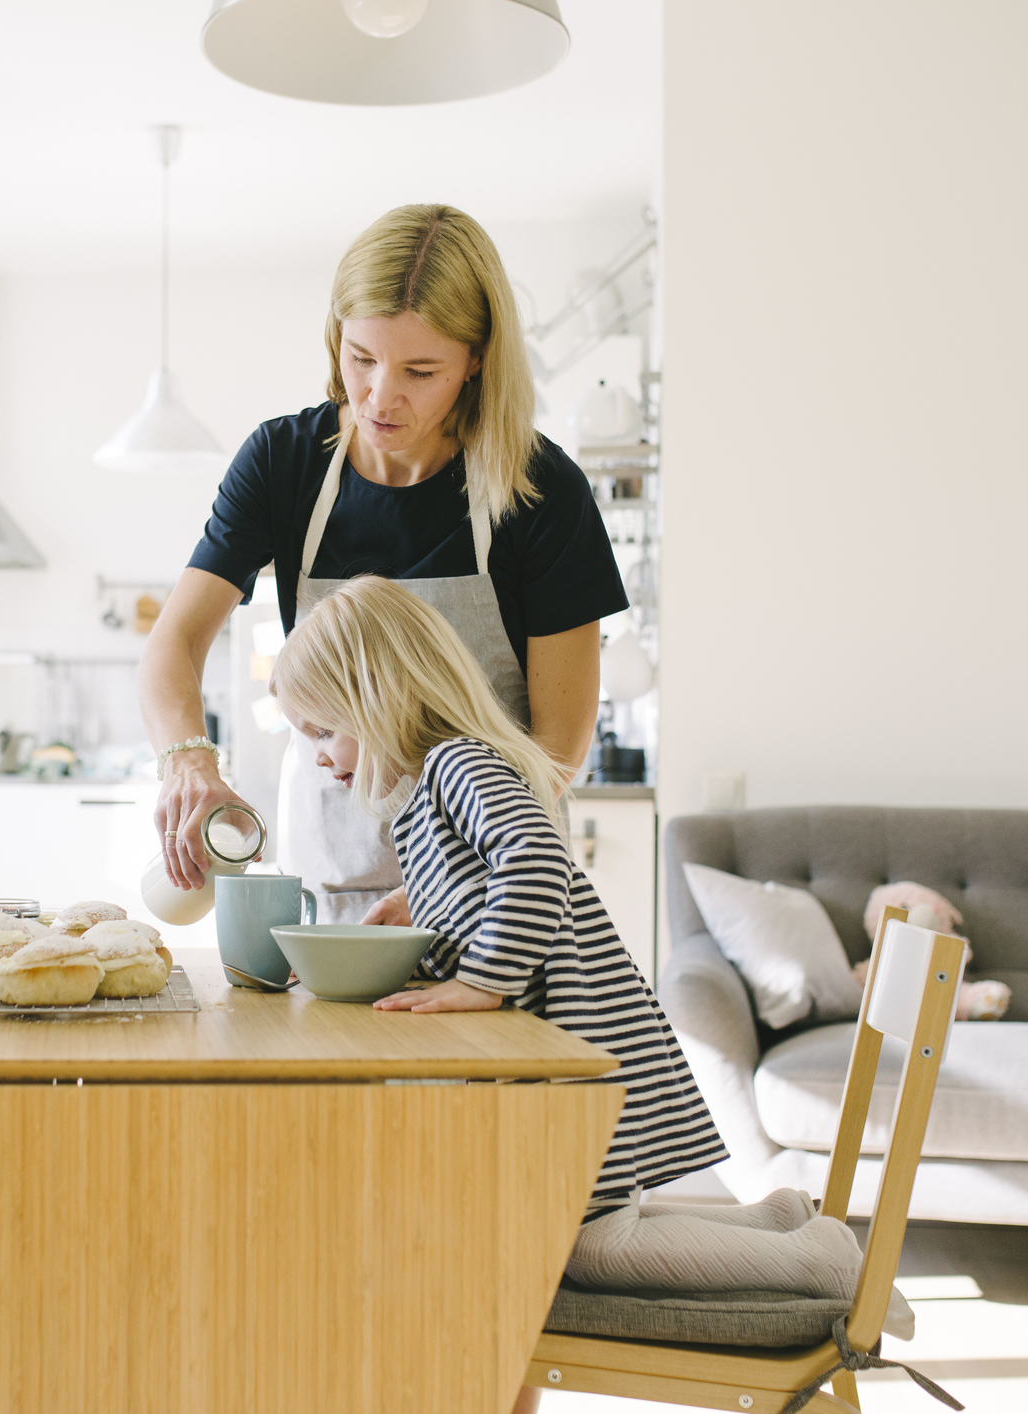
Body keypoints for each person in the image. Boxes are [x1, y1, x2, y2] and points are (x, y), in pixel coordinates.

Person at [268, 578, 908, 1414]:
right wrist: (422, 907)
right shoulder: (432, 785)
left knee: (593, 1249)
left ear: (376, 698)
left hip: (577, 1063)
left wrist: (480, 981)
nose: (317, 752)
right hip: (567, 1066)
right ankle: (782, 1219)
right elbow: (488, 879)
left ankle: (821, 1263)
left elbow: (535, 867)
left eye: (322, 728)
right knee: (597, 1231)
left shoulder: (459, 764)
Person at [139, 204, 621, 922]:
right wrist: (187, 760)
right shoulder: (284, 465)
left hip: (491, 895)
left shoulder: (539, 489)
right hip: (328, 883)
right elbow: (173, 642)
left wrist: (443, 884)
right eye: (360, 358)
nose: (378, 396)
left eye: (420, 370)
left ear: (476, 360)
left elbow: (555, 751)